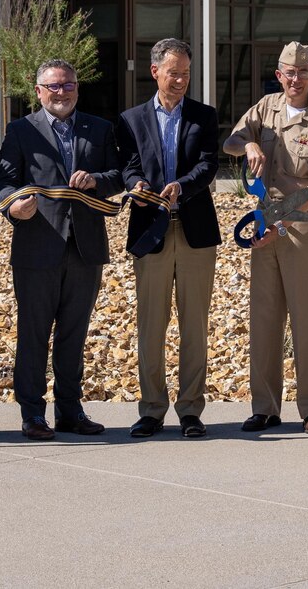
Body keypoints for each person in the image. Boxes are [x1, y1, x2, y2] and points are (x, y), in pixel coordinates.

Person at [0, 58, 122, 441]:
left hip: (85, 248)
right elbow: (2, 184)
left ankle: (70, 410)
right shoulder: (20, 130)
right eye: (53, 86)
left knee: (74, 333)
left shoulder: (99, 129)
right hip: (38, 246)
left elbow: (118, 175)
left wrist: (96, 180)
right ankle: (32, 413)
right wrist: (14, 207)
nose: (61, 92)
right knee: (33, 333)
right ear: (38, 92)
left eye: (68, 85)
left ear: (77, 89)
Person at [223, 41, 308, 436]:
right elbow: (231, 142)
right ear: (279, 75)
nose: (295, 79)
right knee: (264, 320)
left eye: (302, 72)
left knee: (306, 321)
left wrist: (279, 223)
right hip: (264, 226)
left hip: (300, 228)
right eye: (288, 73)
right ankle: (265, 408)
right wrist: (251, 143)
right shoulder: (265, 108)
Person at [115, 38, 221, 440]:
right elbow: (127, 165)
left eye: (186, 73)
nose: (180, 80)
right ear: (154, 71)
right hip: (150, 232)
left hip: (194, 230)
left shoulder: (204, 116)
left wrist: (182, 186)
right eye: (173, 72)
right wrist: (136, 182)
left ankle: (191, 410)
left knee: (194, 324)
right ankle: (152, 410)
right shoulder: (130, 119)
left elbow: (209, 164)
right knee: (150, 325)